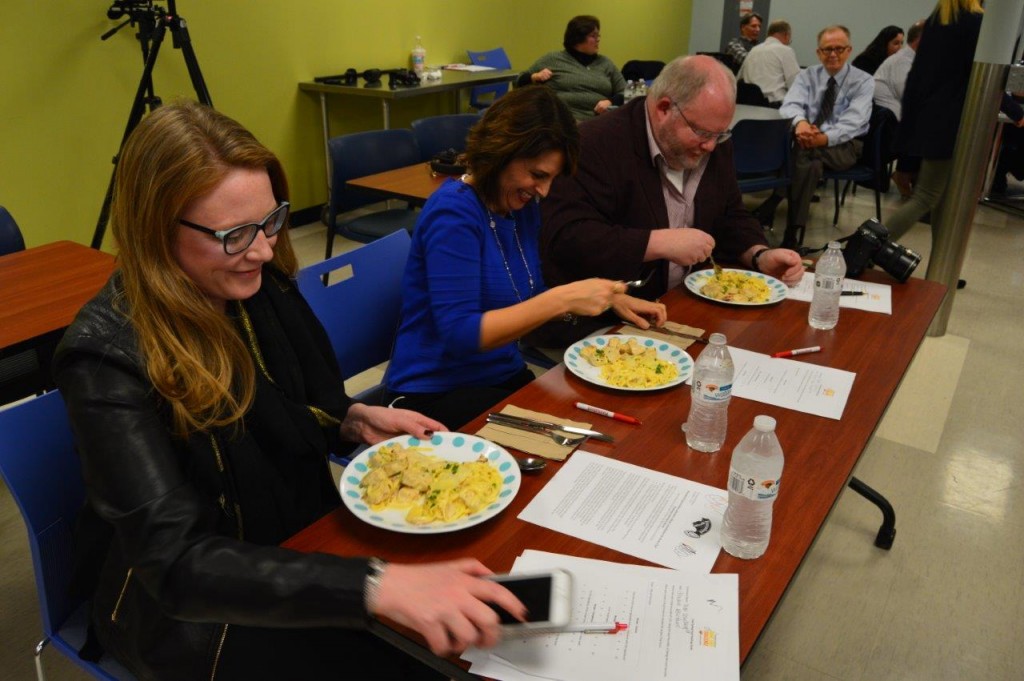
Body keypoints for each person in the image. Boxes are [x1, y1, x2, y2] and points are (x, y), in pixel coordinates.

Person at [53, 101, 530, 680]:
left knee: (467, 620)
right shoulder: (106, 357)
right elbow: (175, 563)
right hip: (190, 611)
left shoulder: (250, 280)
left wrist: (350, 420)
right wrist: (374, 585)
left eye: (271, 221)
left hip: (293, 542)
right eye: (234, 234)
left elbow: (280, 402)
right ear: (156, 228)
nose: (262, 250)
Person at [384, 86, 665, 429]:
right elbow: (461, 334)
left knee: (597, 423)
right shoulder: (453, 214)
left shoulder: (519, 207)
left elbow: (524, 295)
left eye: (551, 178)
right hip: (433, 393)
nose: (544, 191)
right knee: (566, 442)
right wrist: (562, 299)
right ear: (501, 153)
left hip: (496, 376)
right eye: (538, 175)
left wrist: (607, 300)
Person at [528, 55, 804, 348]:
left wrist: (759, 254)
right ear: (663, 108)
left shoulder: (713, 143)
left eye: (720, 134)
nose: (710, 145)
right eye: (702, 133)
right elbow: (566, 238)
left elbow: (730, 214)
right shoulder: (595, 144)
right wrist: (657, 243)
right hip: (607, 320)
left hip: (684, 306)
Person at [882, 0, 984, 244]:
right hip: (953, 124)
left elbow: (917, 80)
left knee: (942, 200)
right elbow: (982, 77)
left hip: (929, 121)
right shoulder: (976, 23)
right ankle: (866, 249)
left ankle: (942, 265)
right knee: (926, 197)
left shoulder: (940, 20)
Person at [770, 25, 874, 248]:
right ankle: (793, 231)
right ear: (818, 52)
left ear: (849, 50)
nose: (833, 54)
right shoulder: (807, 76)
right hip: (809, 143)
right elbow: (790, 105)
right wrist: (802, 124)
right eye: (827, 49)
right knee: (811, 163)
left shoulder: (864, 81)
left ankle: (773, 204)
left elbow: (854, 122)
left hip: (846, 146)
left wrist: (823, 137)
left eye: (839, 49)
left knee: (802, 151)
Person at [518, 15, 626, 120]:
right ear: (578, 38)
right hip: (561, 121)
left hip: (597, 121)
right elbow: (519, 81)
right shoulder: (553, 59)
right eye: (593, 36)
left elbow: (626, 91)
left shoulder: (606, 63)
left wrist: (611, 101)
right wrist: (535, 76)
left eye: (598, 36)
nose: (598, 39)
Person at [873, 19, 926, 197]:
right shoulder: (902, 62)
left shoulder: (912, 60)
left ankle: (912, 175)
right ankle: (905, 174)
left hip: (895, 121)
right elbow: (909, 96)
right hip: (885, 128)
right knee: (924, 130)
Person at [737, 19, 800, 106]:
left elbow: (739, 79)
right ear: (786, 35)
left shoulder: (753, 50)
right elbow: (795, 85)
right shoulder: (786, 51)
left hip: (748, 105)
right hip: (774, 107)